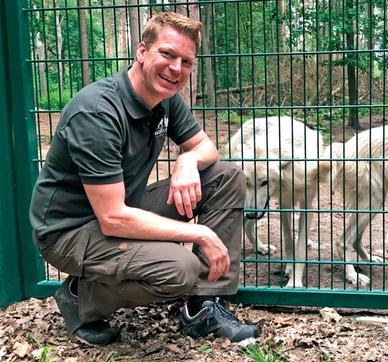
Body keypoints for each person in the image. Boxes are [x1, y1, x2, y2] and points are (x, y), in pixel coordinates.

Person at [29, 12, 259, 346]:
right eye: (166, 54)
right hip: (69, 231)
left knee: (225, 177)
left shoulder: (167, 100)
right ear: (141, 51)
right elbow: (112, 219)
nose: (175, 68)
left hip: (122, 209)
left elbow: (207, 148)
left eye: (186, 61)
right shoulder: (97, 112)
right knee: (180, 268)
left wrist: (188, 158)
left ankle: (203, 307)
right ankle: (82, 297)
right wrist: (200, 232)